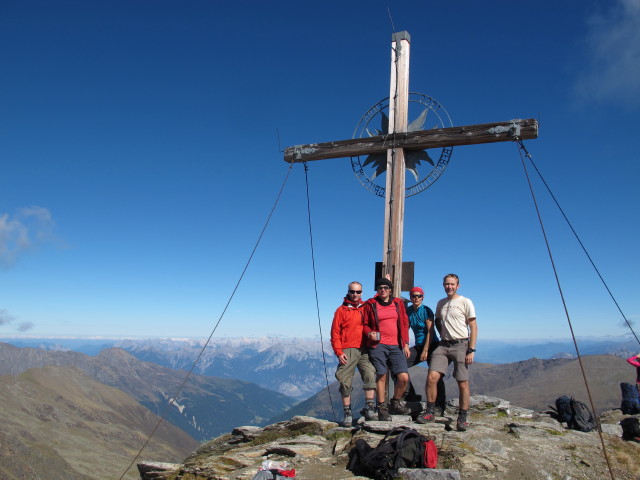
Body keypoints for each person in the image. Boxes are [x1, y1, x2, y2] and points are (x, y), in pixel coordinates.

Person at [417, 273, 477, 431]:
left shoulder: (465, 302)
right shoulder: (441, 303)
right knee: (431, 377)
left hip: (461, 344)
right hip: (443, 345)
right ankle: (430, 411)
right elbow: (437, 320)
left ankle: (462, 417)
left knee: (462, 382)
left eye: (452, 284)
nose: (449, 287)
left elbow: (474, 327)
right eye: (446, 284)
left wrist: (471, 349)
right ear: (443, 285)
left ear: (458, 285)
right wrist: (442, 331)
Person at [363, 277, 412, 421]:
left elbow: (404, 322)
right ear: (377, 291)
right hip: (378, 345)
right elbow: (365, 324)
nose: (383, 290)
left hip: (396, 345)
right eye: (380, 288)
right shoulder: (371, 304)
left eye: (386, 288)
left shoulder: (398, 303)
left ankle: (395, 403)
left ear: (390, 290)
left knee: (403, 377)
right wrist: (368, 333)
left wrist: (406, 343)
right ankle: (382, 408)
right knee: (382, 375)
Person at [330, 281, 377, 427]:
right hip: (347, 349)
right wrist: (338, 352)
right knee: (344, 381)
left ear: (361, 293)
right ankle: (347, 413)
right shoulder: (341, 310)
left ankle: (369, 408)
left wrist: (386, 281)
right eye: (352, 292)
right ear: (348, 292)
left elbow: (379, 298)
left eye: (358, 292)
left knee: (370, 374)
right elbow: (335, 333)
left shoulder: (366, 307)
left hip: (364, 348)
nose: (355, 294)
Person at [405, 286, 446, 416]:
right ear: (411, 298)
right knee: (399, 365)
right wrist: (405, 344)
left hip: (432, 345)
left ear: (422, 297)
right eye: (413, 296)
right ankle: (410, 396)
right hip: (418, 346)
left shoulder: (426, 310)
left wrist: (425, 350)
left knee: (435, 375)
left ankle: (439, 405)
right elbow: (405, 328)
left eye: (419, 296)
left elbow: (430, 330)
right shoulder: (409, 311)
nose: (416, 298)